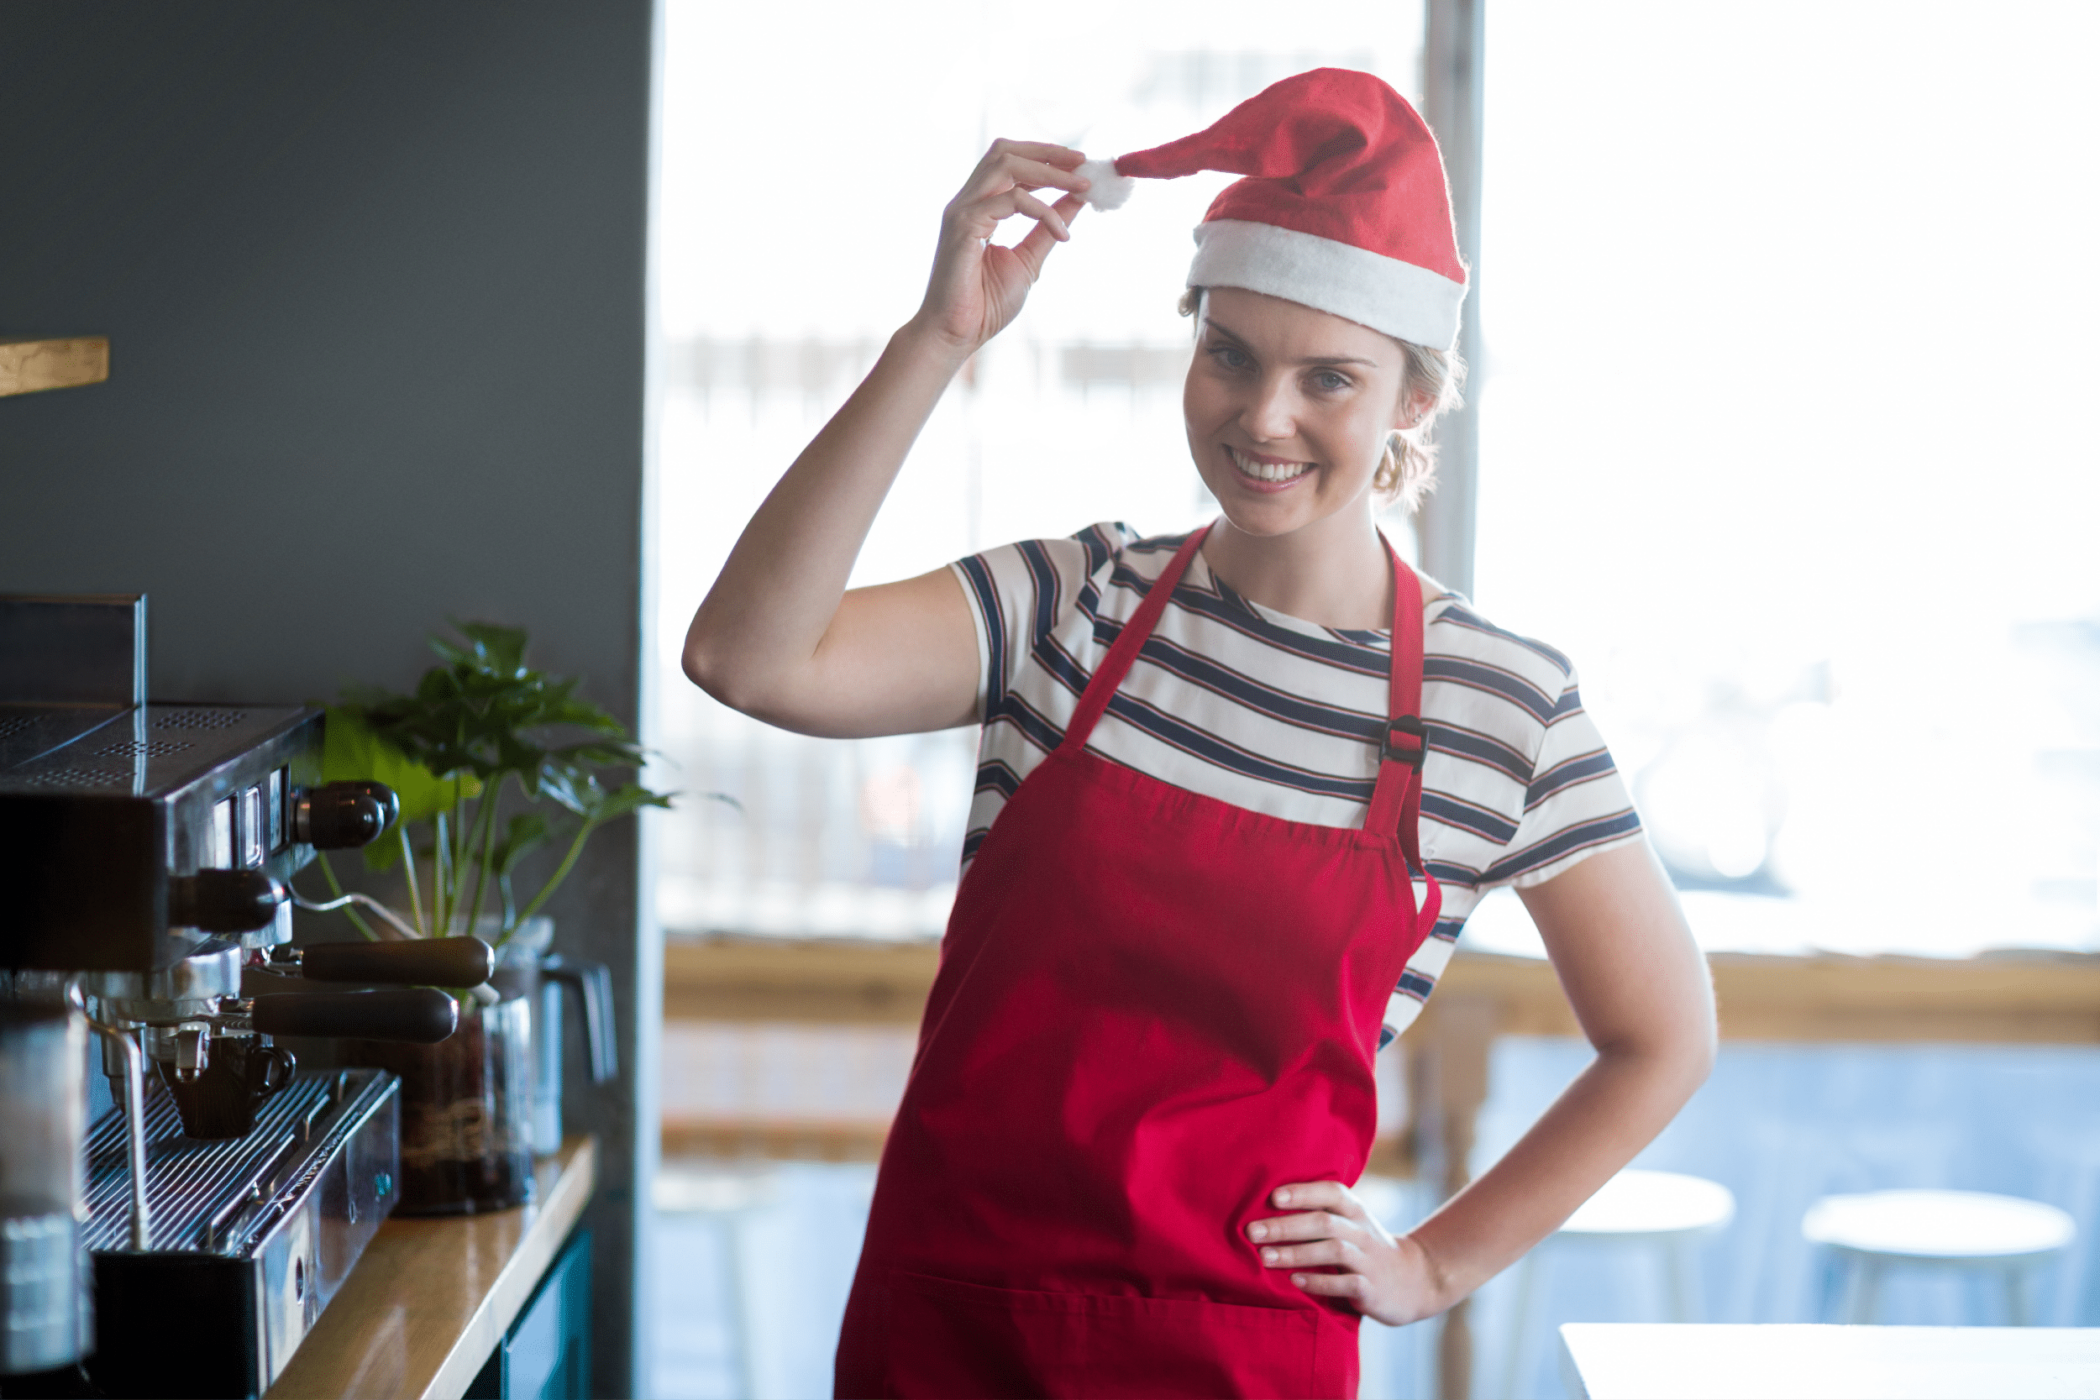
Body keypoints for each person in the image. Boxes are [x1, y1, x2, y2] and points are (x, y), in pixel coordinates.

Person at [684, 67, 1715, 1400]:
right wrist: (937, 340)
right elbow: (745, 659)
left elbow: (1666, 1036)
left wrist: (1435, 1266)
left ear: (1412, 397)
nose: (1262, 417)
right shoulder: (1076, 601)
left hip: (1242, 1353)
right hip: (952, 1328)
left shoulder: (1494, 708)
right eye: (1230, 353)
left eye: (1327, 378)